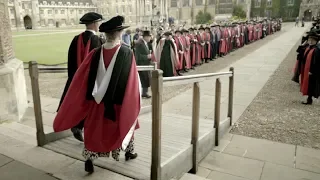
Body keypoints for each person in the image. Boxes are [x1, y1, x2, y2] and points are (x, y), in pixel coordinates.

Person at [53, 15, 141, 173]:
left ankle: (89, 159)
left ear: (106, 35)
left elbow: (83, 77)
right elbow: (131, 81)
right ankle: (129, 151)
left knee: (93, 130)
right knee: (126, 125)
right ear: (119, 33)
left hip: (96, 102)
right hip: (117, 104)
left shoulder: (95, 53)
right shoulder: (126, 52)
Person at [57, 12, 104, 142]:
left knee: (78, 103)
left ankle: (77, 125)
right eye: (98, 23)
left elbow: (71, 61)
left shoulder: (76, 39)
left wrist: (73, 79)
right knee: (91, 106)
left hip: (76, 79)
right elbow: (99, 63)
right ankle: (87, 131)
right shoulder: (97, 40)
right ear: (95, 24)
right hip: (91, 81)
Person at [300, 30, 320, 105]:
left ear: (316, 41)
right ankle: (309, 99)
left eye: (312, 40)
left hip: (311, 71)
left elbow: (317, 62)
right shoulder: (308, 48)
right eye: (309, 40)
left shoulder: (316, 50)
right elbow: (300, 53)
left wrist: (312, 71)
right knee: (309, 84)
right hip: (306, 69)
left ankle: (309, 100)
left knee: (311, 85)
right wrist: (304, 43)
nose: (310, 41)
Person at [135, 30, 153, 98]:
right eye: (149, 37)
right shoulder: (139, 44)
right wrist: (147, 56)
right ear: (145, 37)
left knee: (146, 79)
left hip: (146, 64)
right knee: (143, 79)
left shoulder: (145, 43)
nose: (150, 38)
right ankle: (142, 93)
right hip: (141, 64)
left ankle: (144, 93)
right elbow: (137, 56)